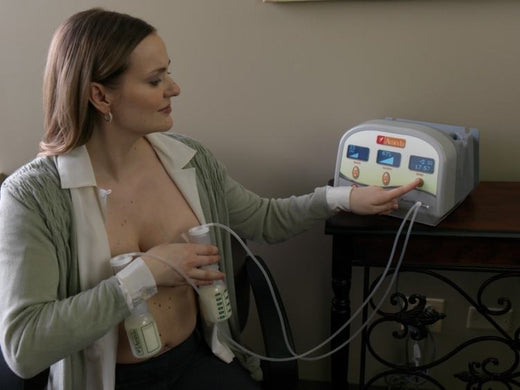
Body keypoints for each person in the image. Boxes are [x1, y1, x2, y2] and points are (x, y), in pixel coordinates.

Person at [0, 8, 420, 390]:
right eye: (155, 80)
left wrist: (343, 197)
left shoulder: (190, 161)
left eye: (169, 73)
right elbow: (23, 348)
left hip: (197, 362)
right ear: (101, 96)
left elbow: (264, 219)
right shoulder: (32, 198)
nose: (175, 88)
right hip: (107, 380)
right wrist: (145, 274)